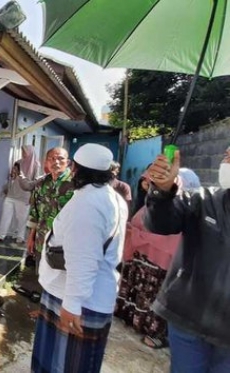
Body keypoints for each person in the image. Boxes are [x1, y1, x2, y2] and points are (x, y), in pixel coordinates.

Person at [31, 143, 128, 373]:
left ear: (78, 170)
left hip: (78, 299)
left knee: (64, 364)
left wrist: (72, 304)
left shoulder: (88, 204)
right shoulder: (109, 197)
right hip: (77, 292)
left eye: (73, 167)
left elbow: (84, 259)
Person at [143, 148, 230, 372]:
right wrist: (162, 192)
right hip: (187, 318)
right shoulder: (202, 199)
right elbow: (161, 223)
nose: (226, 162)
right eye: (226, 155)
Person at [116, 167, 200, 350]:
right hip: (141, 262)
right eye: (146, 181)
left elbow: (170, 241)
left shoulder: (181, 212)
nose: (147, 185)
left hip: (161, 267)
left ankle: (156, 334)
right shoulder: (149, 205)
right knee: (138, 291)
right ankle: (133, 320)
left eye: (151, 182)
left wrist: (138, 235)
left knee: (155, 299)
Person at [26, 147, 75, 266]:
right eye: (51, 159)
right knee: (41, 278)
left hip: (65, 246)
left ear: (68, 162)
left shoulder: (75, 185)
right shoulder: (41, 184)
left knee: (60, 282)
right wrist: (31, 237)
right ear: (46, 162)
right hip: (41, 241)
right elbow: (35, 213)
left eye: (60, 158)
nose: (56, 162)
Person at [0, 162, 30, 243]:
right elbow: (6, 189)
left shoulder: (23, 177)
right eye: (13, 168)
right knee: (5, 216)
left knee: (21, 219)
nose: (13, 170)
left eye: (15, 168)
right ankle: (1, 236)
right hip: (10, 198)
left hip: (22, 199)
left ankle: (20, 237)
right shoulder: (10, 178)